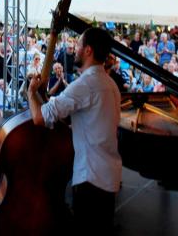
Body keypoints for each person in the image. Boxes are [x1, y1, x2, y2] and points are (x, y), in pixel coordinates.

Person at [28, 27, 121, 234]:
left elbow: (39, 117)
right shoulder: (110, 84)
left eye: (78, 45)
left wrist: (31, 92)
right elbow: (96, 123)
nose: (75, 49)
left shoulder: (85, 84)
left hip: (91, 178)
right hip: (108, 175)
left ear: (88, 50)